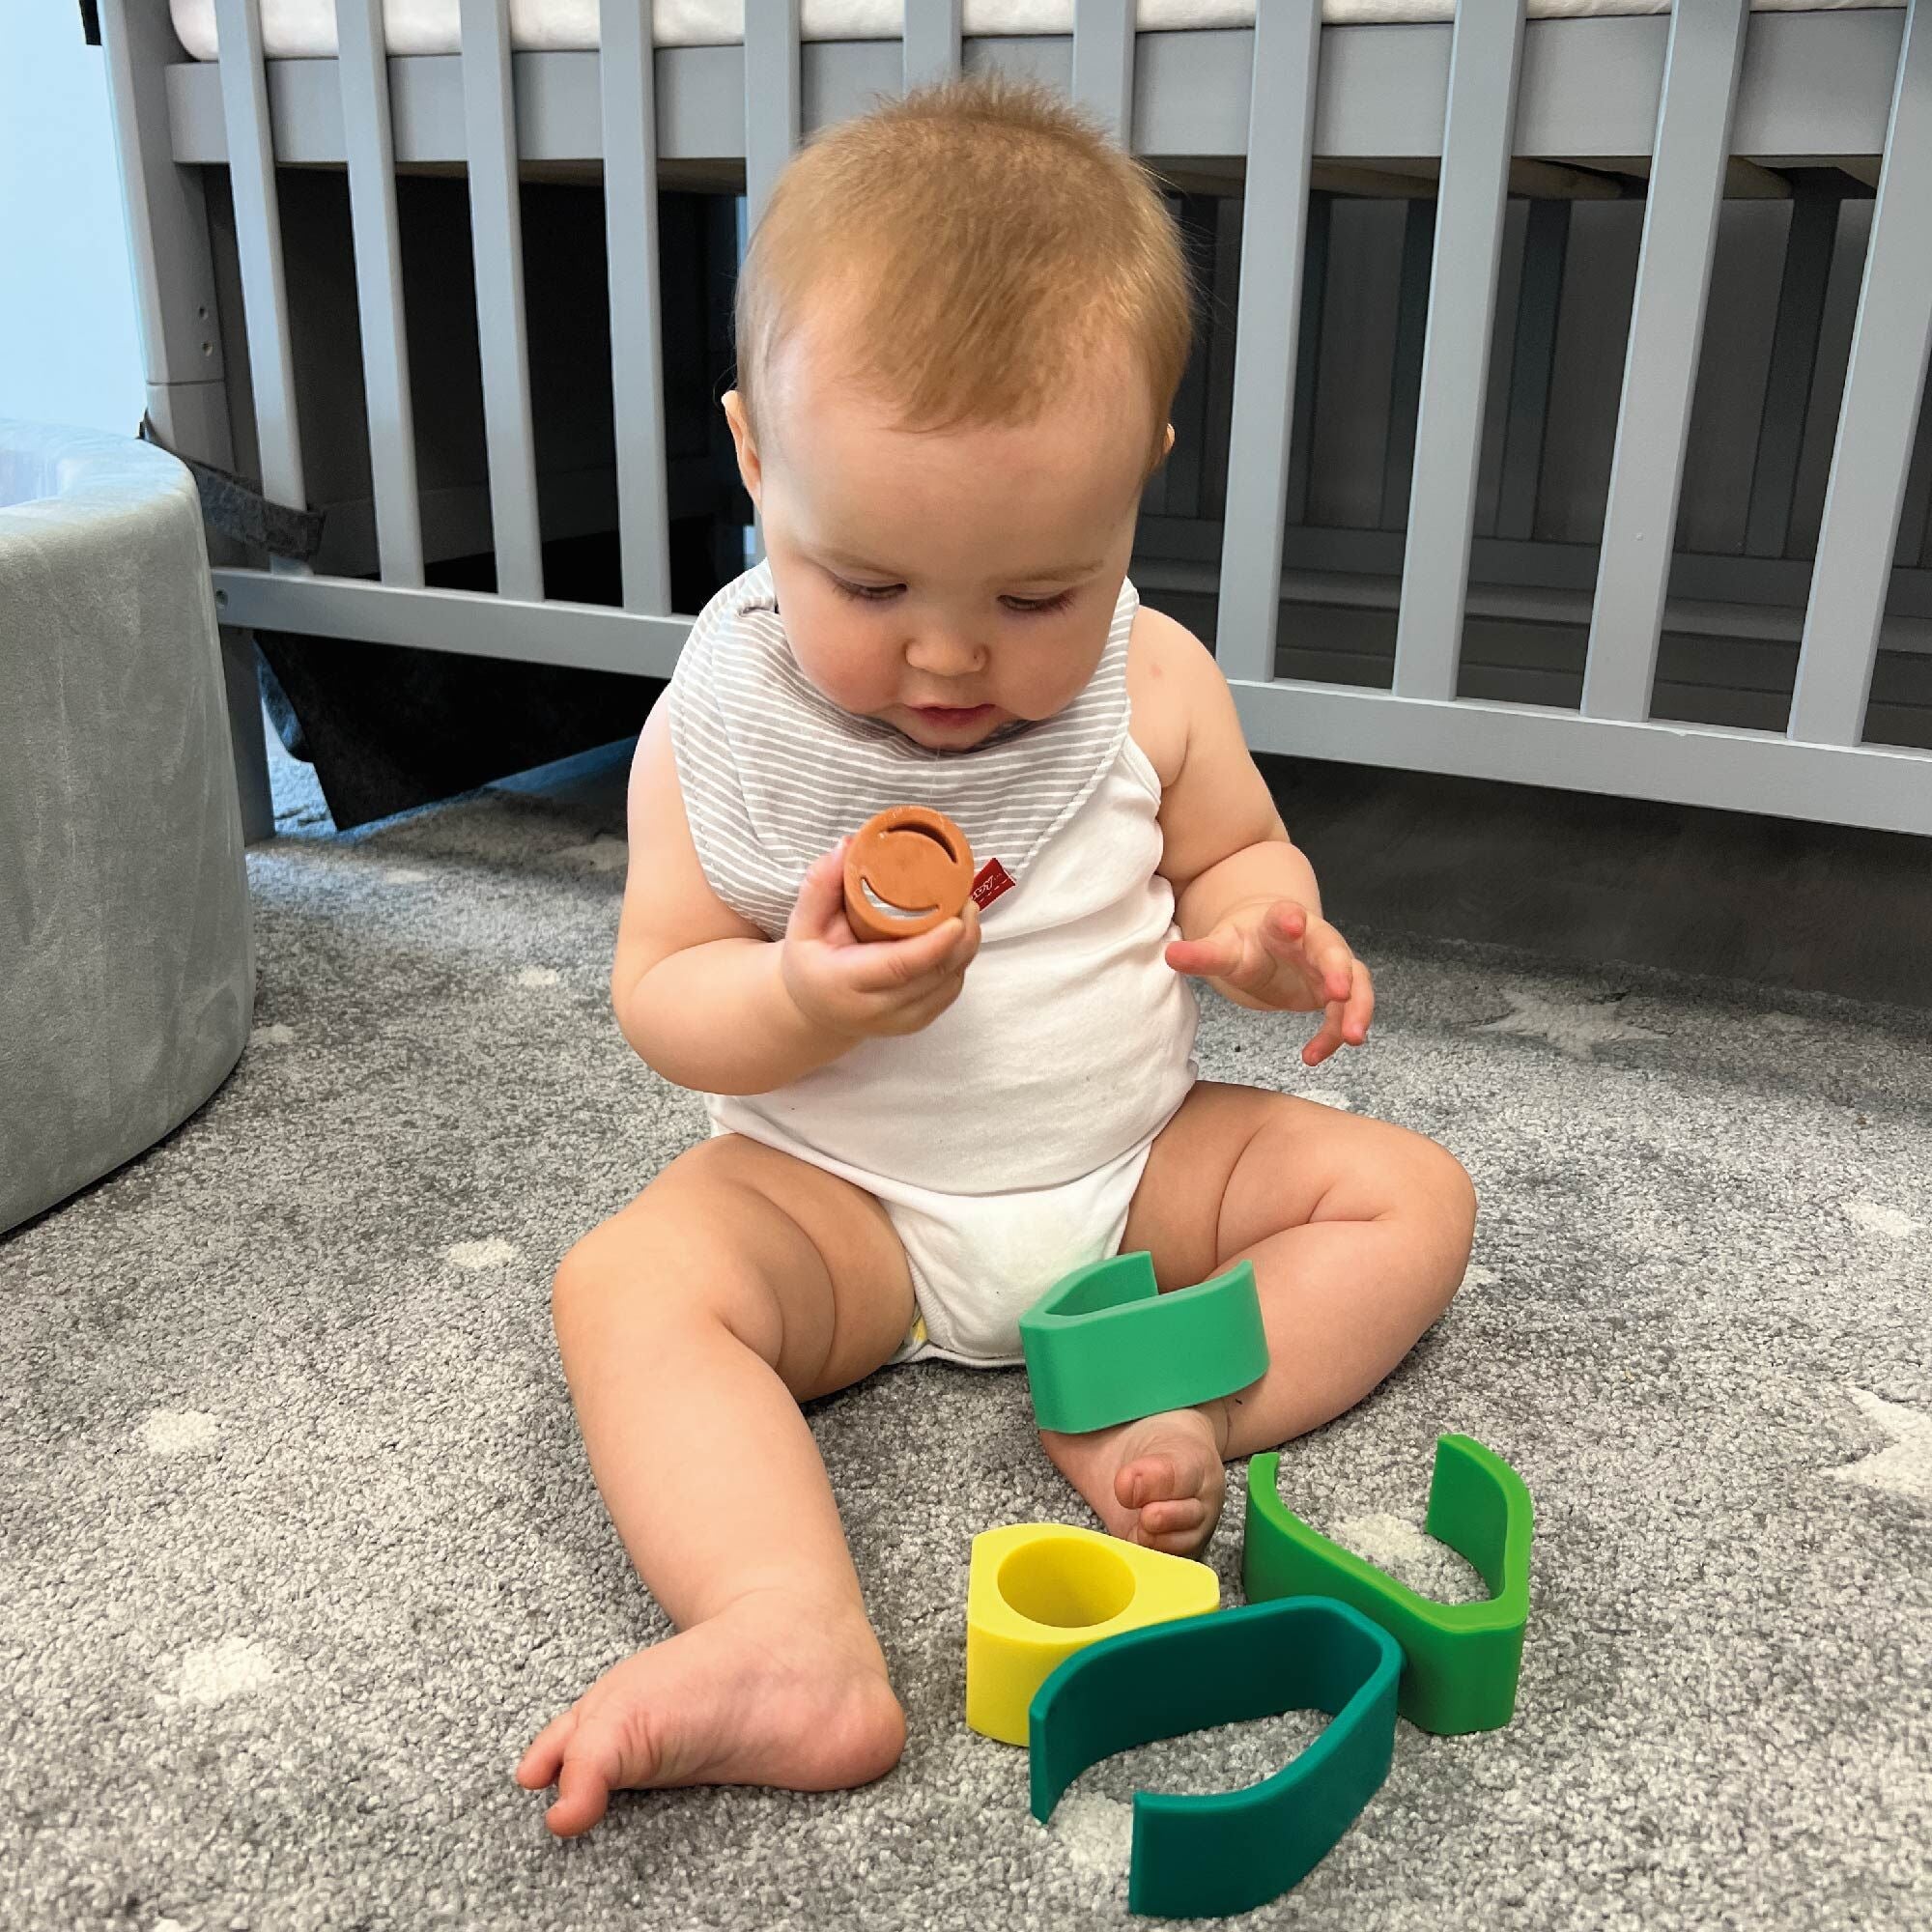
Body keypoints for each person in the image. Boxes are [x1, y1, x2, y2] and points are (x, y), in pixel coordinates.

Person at [516, 73, 1475, 1837]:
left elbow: (1241, 855)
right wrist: (795, 999)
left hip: (1133, 1184)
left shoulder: (1155, 678)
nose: (949, 660)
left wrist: (1269, 930)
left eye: (1037, 595)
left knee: (1411, 1194)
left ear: (1136, 487)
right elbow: (660, 990)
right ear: (752, 457)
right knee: (627, 1289)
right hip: (844, 1206)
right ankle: (786, 1630)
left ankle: (1163, 1395)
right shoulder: (715, 723)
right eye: (867, 583)